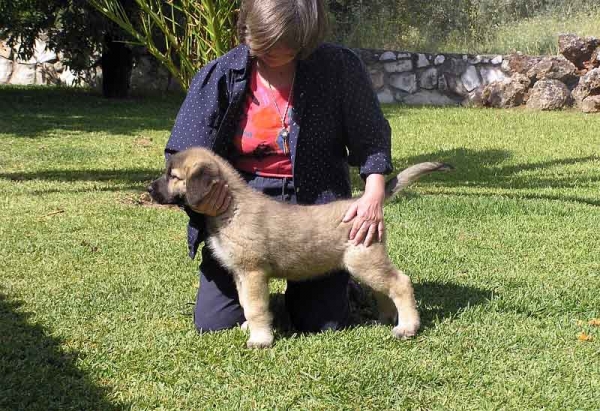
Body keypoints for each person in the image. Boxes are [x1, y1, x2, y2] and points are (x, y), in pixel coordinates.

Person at [164, 0, 392, 333]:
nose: (269, 53)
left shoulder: (339, 68)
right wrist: (205, 198)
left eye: (282, 47)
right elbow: (182, 151)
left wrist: (373, 193)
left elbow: (371, 136)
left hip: (316, 206)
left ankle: (340, 282)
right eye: (261, 43)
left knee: (323, 325)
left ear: (306, 38)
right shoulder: (223, 74)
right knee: (215, 323)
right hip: (244, 204)